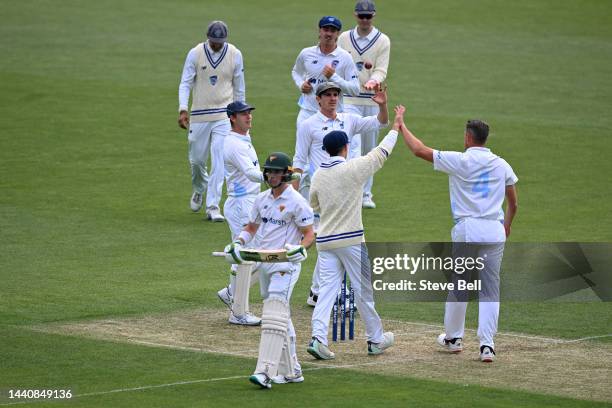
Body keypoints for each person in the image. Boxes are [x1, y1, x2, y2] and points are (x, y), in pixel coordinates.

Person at [397, 114, 518, 363]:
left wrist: (401, 125)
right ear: (485, 139)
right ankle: (487, 346)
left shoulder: (460, 161)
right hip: (494, 231)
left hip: (468, 230)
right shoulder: (502, 164)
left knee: (460, 285)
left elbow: (419, 150)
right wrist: (506, 225)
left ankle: (454, 339)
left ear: (467, 137)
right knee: (490, 290)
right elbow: (513, 202)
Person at [306, 106, 406, 360]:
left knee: (326, 292)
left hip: (326, 241)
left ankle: (318, 338)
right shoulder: (354, 169)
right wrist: (395, 127)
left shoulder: (318, 175)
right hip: (351, 240)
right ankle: (375, 339)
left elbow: (314, 204)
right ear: (345, 148)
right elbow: (381, 153)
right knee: (364, 290)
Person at [292, 81, 388, 307]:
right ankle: (319, 290)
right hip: (321, 190)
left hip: (344, 188)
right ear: (318, 99)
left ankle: (317, 291)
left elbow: (380, 123)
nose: (333, 98)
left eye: (336, 94)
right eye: (328, 95)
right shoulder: (308, 125)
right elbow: (299, 160)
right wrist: (292, 196)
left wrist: (383, 106)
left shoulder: (349, 120)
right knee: (330, 238)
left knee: (329, 237)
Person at [224, 152, 315, 389]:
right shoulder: (262, 198)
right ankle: (293, 371)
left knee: (274, 313)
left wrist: (299, 248)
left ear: (286, 174)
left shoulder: (296, 201)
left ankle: (265, 371)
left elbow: (309, 234)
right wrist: (238, 243)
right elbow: (251, 226)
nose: (271, 175)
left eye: (276, 172)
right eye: (269, 171)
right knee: (280, 316)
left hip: (285, 265)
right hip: (264, 262)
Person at [178, 20, 246, 222]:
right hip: (199, 114)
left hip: (223, 115)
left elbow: (239, 86)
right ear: (208, 38)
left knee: (219, 161)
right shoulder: (195, 53)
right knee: (197, 160)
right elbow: (185, 82)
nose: (217, 44)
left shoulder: (235, 54)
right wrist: (183, 108)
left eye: (220, 41)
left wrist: (240, 114)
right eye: (214, 41)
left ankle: (213, 206)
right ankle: (199, 188)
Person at [291, 16, 360, 202]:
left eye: (333, 30)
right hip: (307, 112)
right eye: (325, 29)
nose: (328, 34)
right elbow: (295, 72)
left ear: (338, 34)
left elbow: (355, 89)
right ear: (319, 31)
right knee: (303, 163)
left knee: (334, 160)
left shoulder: (344, 58)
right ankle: (304, 205)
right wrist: (301, 85)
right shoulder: (306, 54)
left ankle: (335, 200)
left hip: (332, 116)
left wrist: (335, 77)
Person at [338, 0, 391, 209]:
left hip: (371, 99)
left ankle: (366, 194)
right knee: (352, 145)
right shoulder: (344, 38)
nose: (365, 20)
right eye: (362, 16)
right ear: (355, 15)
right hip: (349, 98)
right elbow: (339, 62)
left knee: (370, 148)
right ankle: (350, 190)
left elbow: (381, 69)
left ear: (374, 16)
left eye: (368, 16)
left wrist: (373, 81)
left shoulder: (383, 40)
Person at [216, 101, 262, 326]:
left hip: (250, 203)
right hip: (241, 204)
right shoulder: (233, 144)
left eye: (249, 113)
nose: (248, 116)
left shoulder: (244, 139)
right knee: (252, 257)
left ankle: (231, 294)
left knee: (257, 257)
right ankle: (238, 311)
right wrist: (277, 176)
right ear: (232, 117)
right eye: (244, 114)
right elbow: (252, 174)